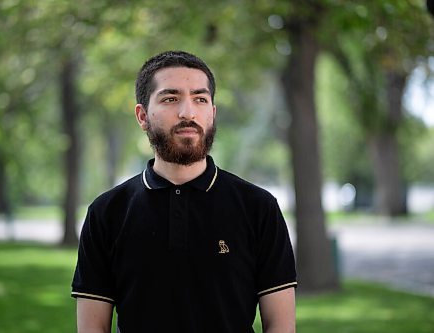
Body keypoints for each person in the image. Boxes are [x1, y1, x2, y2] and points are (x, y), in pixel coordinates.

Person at [71, 50, 297, 333]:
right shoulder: (106, 212)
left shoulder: (259, 208)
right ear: (142, 116)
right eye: (170, 98)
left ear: (212, 114)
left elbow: (281, 326)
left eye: (200, 99)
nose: (188, 112)